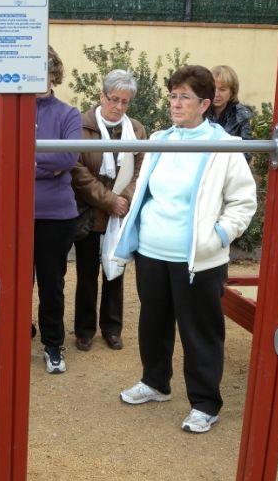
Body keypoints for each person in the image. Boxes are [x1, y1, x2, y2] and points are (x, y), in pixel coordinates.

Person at [112, 65, 257, 434]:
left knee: (200, 331)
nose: (176, 103)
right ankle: (155, 382)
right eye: (173, 95)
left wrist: (218, 236)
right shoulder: (161, 137)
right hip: (152, 251)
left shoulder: (223, 146)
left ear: (205, 103)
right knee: (153, 322)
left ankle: (205, 403)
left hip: (197, 258)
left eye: (185, 97)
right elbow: (147, 189)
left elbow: (243, 202)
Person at [71, 69, 147, 353]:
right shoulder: (80, 125)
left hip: (121, 214)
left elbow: (141, 170)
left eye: (125, 102)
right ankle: (84, 330)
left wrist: (123, 199)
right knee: (87, 273)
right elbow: (76, 170)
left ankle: (112, 329)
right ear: (101, 96)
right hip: (89, 212)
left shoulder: (136, 130)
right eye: (114, 99)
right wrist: (108, 200)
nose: (118, 107)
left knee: (115, 272)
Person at [33, 46, 82, 374]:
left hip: (56, 216)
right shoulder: (11, 112)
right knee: (16, 283)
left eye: (44, 69)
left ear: (54, 73)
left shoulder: (68, 114)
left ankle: (53, 344)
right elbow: (0, 161)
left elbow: (69, 158)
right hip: (17, 214)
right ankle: (19, 336)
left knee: (52, 284)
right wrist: (45, 166)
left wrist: (28, 162)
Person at [207, 65, 252, 140]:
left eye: (222, 89)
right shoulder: (200, 112)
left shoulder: (242, 115)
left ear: (232, 91)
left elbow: (247, 148)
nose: (216, 94)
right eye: (213, 89)